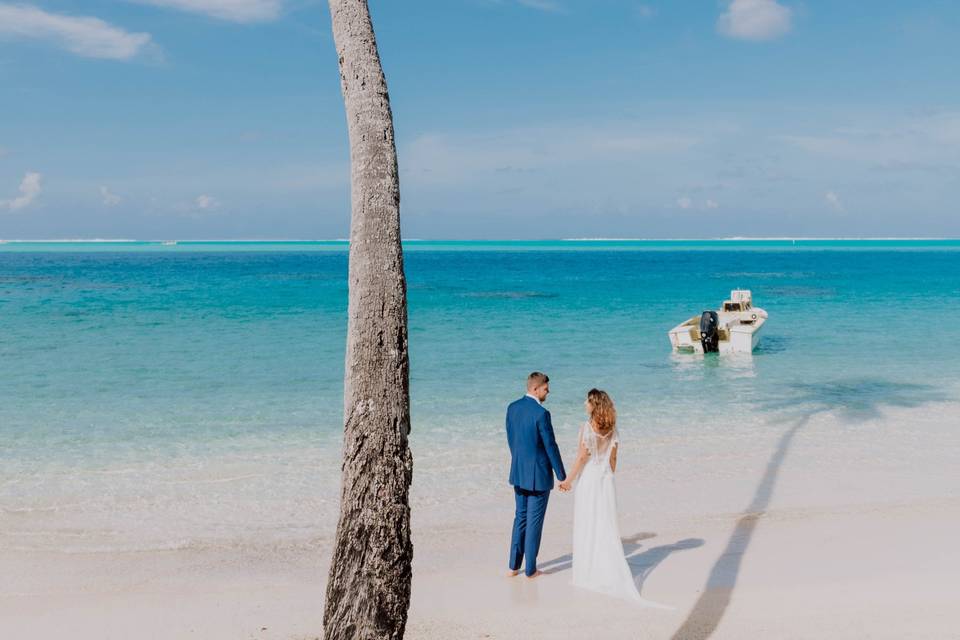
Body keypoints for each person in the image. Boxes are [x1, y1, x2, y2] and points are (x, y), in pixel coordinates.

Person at [558, 389, 661, 604]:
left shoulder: (586, 428)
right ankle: (605, 567)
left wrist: (567, 480)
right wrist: (607, 476)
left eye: (587, 400)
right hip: (605, 481)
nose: (584, 403)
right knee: (605, 524)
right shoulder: (613, 430)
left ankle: (589, 571)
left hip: (588, 480)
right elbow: (613, 461)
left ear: (594, 404)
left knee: (588, 523)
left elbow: (581, 458)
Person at [505, 371, 567, 578]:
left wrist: (518, 462)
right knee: (534, 522)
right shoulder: (542, 414)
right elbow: (550, 446)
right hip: (538, 475)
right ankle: (530, 569)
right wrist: (561, 474)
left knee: (520, 518)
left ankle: (513, 567)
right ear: (535, 388)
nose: (547, 393)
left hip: (518, 471)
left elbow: (511, 440)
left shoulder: (512, 408)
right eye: (546, 389)